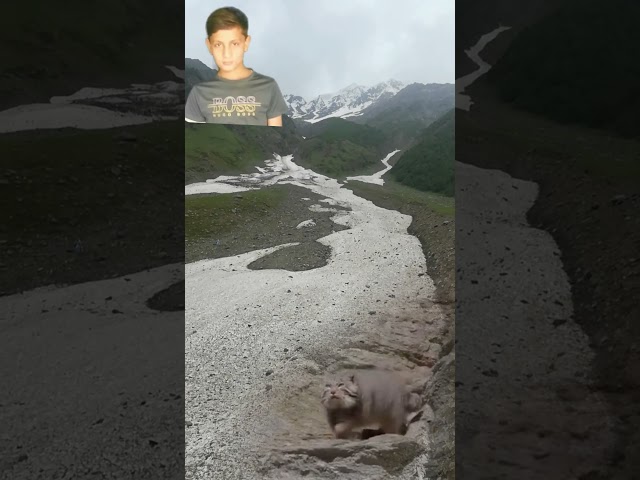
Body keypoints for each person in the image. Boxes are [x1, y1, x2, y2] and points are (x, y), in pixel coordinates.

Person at [185, 6, 288, 127]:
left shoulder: (269, 87)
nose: (227, 53)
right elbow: (193, 138)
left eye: (234, 44)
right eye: (218, 44)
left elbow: (275, 134)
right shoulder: (199, 92)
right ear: (209, 45)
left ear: (246, 43)